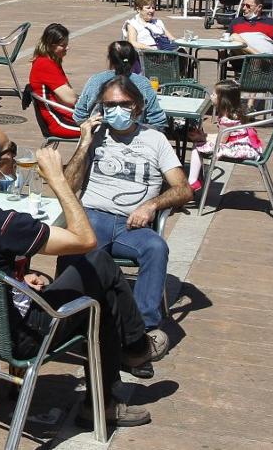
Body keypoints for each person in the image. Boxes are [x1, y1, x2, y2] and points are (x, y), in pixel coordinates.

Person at [0, 124, 163, 429]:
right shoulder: (8, 225)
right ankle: (128, 362)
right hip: (22, 335)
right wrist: (58, 180)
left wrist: (17, 281)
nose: (16, 155)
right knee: (99, 267)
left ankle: (132, 353)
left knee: (101, 285)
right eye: (10, 151)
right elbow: (85, 239)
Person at [63, 76, 192, 354]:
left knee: (156, 247)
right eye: (110, 104)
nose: (117, 110)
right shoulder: (95, 137)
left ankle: (142, 332)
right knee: (73, 245)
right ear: (101, 108)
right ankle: (72, 321)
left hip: (132, 224)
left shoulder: (155, 139)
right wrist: (84, 143)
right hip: (93, 216)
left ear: (137, 106)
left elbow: (183, 189)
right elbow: (68, 186)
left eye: (124, 104)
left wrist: (151, 205)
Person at [186, 80, 262, 192]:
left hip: (237, 147)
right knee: (201, 142)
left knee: (197, 146)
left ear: (223, 100)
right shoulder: (235, 112)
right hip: (242, 142)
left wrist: (202, 138)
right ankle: (197, 178)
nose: (211, 96)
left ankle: (192, 181)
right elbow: (224, 136)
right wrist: (205, 135)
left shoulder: (227, 119)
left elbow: (222, 141)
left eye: (214, 94)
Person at [73, 41, 167, 131]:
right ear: (134, 59)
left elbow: (79, 115)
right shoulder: (143, 83)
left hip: (100, 137)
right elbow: (157, 120)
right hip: (134, 139)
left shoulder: (95, 80)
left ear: (110, 59)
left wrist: (90, 131)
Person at [28, 23, 78, 139]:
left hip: (63, 115)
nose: (67, 48)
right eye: (63, 45)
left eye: (67, 44)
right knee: (98, 129)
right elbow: (70, 99)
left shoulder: (52, 61)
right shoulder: (45, 64)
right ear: (51, 45)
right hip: (58, 121)